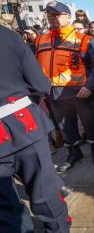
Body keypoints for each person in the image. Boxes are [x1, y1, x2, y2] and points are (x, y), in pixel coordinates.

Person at [0, 25, 70, 232]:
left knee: (6, 211)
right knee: (45, 195)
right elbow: (40, 85)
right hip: (24, 124)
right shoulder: (8, 36)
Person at [34, 1, 94, 173]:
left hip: (80, 91)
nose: (52, 17)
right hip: (54, 92)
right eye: (49, 13)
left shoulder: (85, 39)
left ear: (67, 16)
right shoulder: (39, 40)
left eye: (56, 14)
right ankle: (74, 153)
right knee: (65, 126)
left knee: (90, 122)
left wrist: (89, 86)